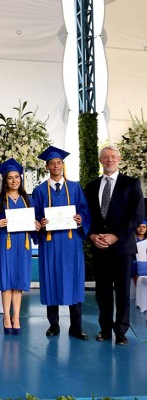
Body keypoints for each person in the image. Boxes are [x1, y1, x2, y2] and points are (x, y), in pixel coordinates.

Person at [85, 145, 145, 345]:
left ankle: (121, 331)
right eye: (105, 157)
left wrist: (116, 236)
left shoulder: (132, 183)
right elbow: (88, 216)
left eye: (113, 157)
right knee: (102, 291)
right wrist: (92, 235)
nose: (109, 160)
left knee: (122, 291)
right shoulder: (92, 185)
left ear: (119, 159)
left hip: (122, 247)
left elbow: (137, 215)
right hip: (99, 246)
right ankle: (104, 329)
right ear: (100, 160)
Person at [32, 146, 91, 340]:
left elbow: (83, 210)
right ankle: (54, 325)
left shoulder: (75, 187)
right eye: (52, 163)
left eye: (59, 163)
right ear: (47, 166)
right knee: (51, 280)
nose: (56, 166)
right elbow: (36, 215)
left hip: (71, 242)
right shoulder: (39, 190)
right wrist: (40, 222)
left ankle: (76, 326)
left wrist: (81, 218)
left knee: (73, 281)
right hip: (50, 243)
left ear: (62, 165)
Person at [0, 158, 41, 335]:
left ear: (21, 179)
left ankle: (16, 317)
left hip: (23, 244)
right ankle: (6, 316)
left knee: (18, 282)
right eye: (10, 178)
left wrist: (37, 226)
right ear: (5, 181)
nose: (14, 180)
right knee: (6, 281)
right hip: (5, 243)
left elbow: (36, 221)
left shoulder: (29, 200)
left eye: (17, 177)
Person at [132, 219, 147, 285]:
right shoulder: (132, 238)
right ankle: (137, 288)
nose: (141, 229)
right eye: (139, 227)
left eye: (144, 227)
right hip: (134, 260)